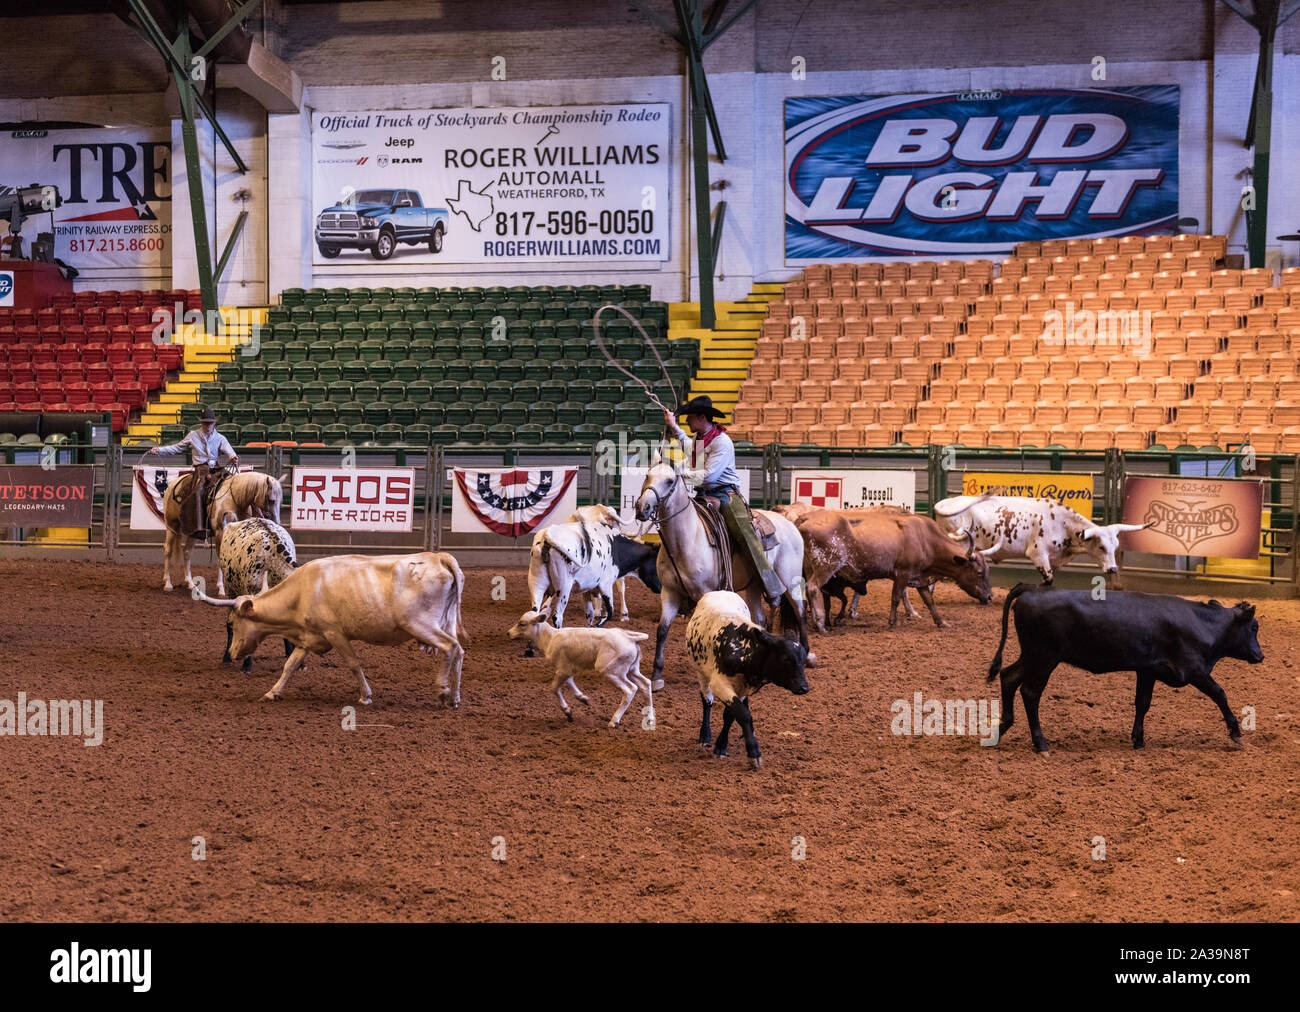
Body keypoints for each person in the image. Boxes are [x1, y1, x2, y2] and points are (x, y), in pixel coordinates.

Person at [664, 395, 784, 599]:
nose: (687, 421)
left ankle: (772, 587)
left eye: (689, 418)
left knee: (745, 534)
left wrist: (679, 473)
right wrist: (674, 427)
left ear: (702, 418)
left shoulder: (722, 442)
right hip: (704, 495)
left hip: (725, 495)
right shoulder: (701, 438)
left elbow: (709, 476)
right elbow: (690, 448)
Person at [142, 406, 238, 540]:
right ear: (202, 423)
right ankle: (198, 526)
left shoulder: (220, 438)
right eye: (205, 423)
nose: (208, 426)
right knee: (199, 489)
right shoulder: (193, 435)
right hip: (200, 469)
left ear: (214, 423)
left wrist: (233, 457)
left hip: (216, 468)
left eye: (210, 423)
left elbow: (229, 450)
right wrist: (160, 450)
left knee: (232, 483)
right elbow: (177, 447)